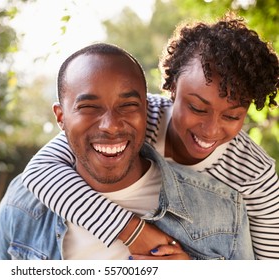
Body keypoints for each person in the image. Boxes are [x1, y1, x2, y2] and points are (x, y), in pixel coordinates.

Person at [21, 14, 279, 259]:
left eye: (232, 117)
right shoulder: (141, 116)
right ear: (173, 88)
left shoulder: (254, 174)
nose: (210, 130)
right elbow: (41, 171)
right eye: (197, 108)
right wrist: (133, 232)